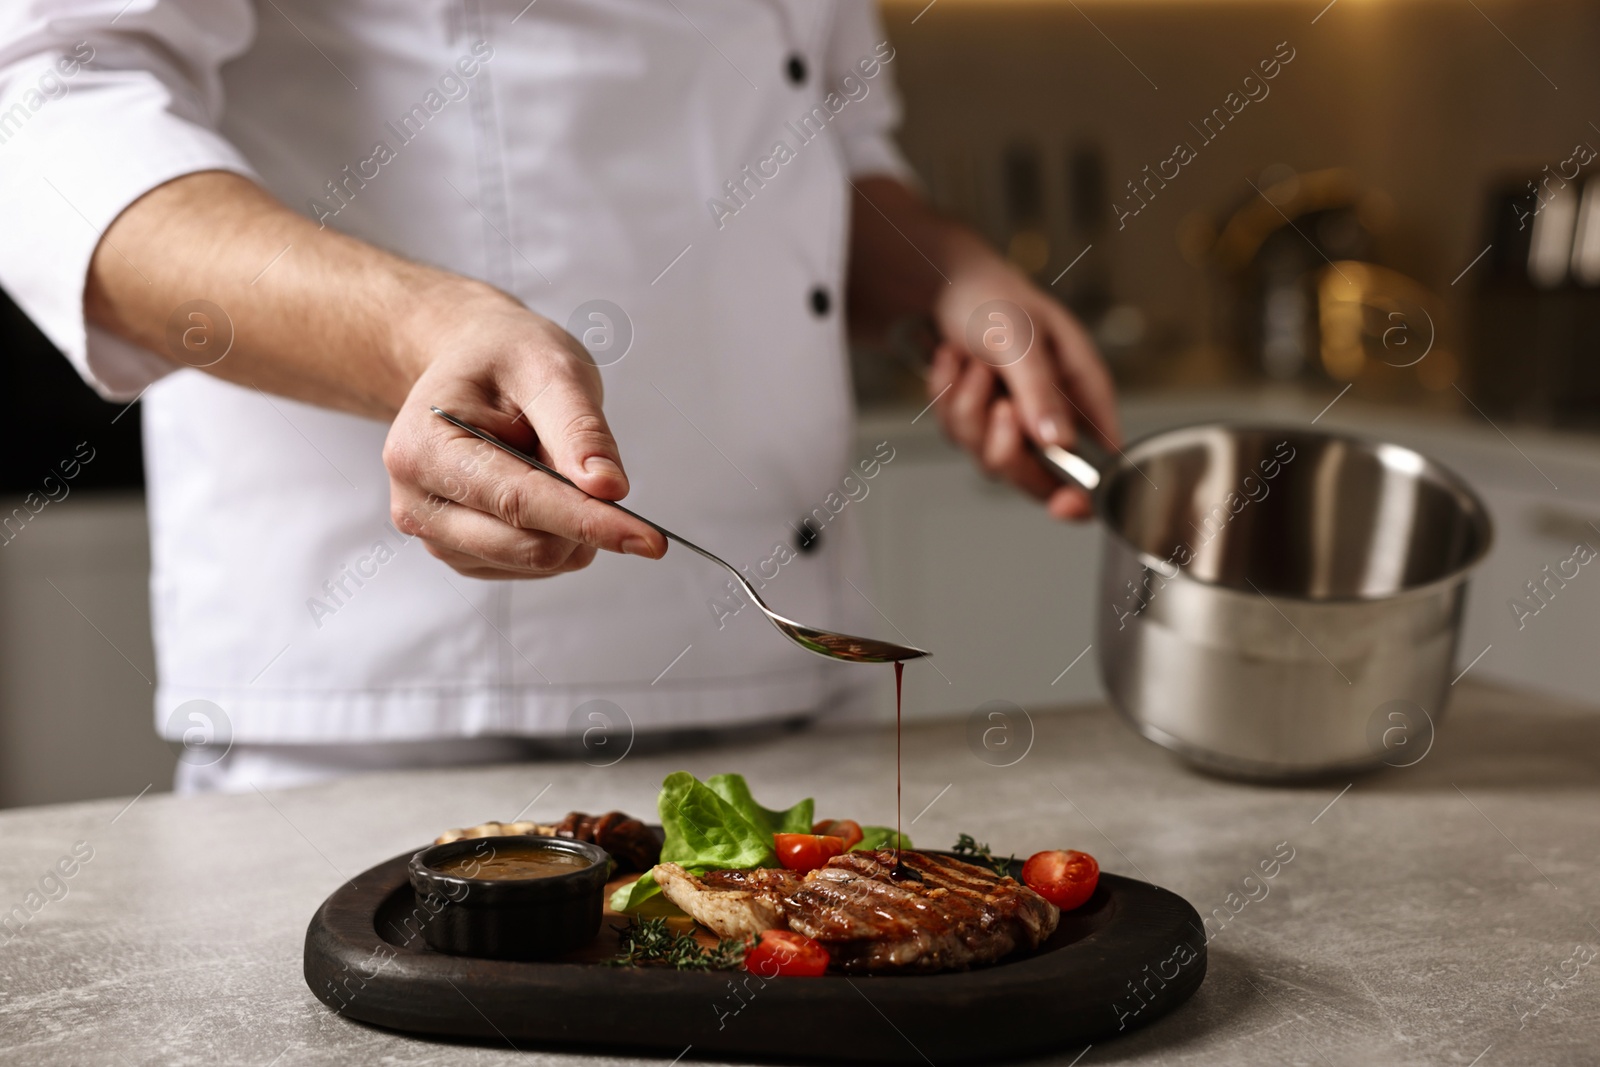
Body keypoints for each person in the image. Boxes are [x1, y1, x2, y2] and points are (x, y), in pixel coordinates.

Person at [0, 1, 1119, 792]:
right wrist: (421, 330)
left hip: (795, 693)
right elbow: (45, 108)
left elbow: (816, 130)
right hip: (409, 715)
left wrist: (947, 274)